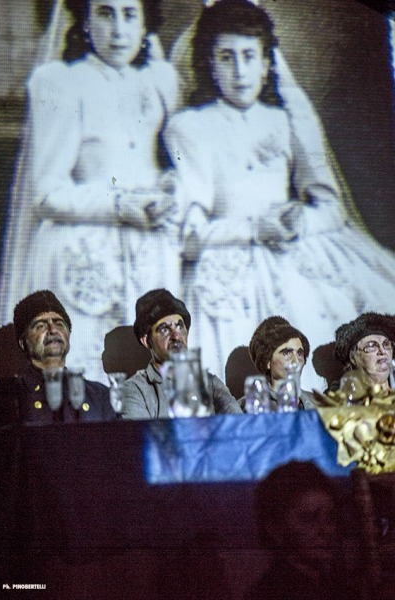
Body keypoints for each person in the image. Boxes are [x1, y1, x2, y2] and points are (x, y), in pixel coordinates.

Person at [164, 0, 395, 387]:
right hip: (230, 256)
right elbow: (190, 234)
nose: (240, 72)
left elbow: (330, 207)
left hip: (296, 249)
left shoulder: (287, 118)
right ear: (209, 64)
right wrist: (257, 230)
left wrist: (300, 220)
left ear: (266, 63)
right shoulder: (189, 127)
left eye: (249, 57)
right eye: (226, 58)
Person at [0, 0, 181, 383]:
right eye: (105, 13)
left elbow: (172, 161)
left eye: (129, 15)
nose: (118, 30)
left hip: (148, 250)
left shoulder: (160, 79)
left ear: (145, 21)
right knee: (87, 382)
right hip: (83, 250)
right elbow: (46, 194)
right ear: (83, 19)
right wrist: (120, 205)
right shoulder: (60, 82)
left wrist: (168, 187)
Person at [0, 290, 116, 425]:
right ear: (23, 343)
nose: (53, 330)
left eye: (59, 324)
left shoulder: (100, 395)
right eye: (40, 326)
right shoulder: (5, 395)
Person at [244, 461, 359, 600]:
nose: (327, 530)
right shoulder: (269, 594)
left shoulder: (338, 588)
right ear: (276, 530)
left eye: (330, 518)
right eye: (309, 519)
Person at [120, 288, 243, 419]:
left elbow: (239, 423)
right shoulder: (135, 390)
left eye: (179, 327)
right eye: (165, 329)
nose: (176, 336)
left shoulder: (209, 382)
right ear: (146, 341)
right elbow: (141, 432)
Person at [248, 316, 315, 409]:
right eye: (286, 353)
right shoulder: (251, 406)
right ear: (268, 362)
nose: (296, 361)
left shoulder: (319, 403)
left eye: (299, 353)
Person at [334, 312, 395, 395]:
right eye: (371, 345)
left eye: (386, 344)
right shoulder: (341, 397)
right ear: (353, 358)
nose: (382, 351)